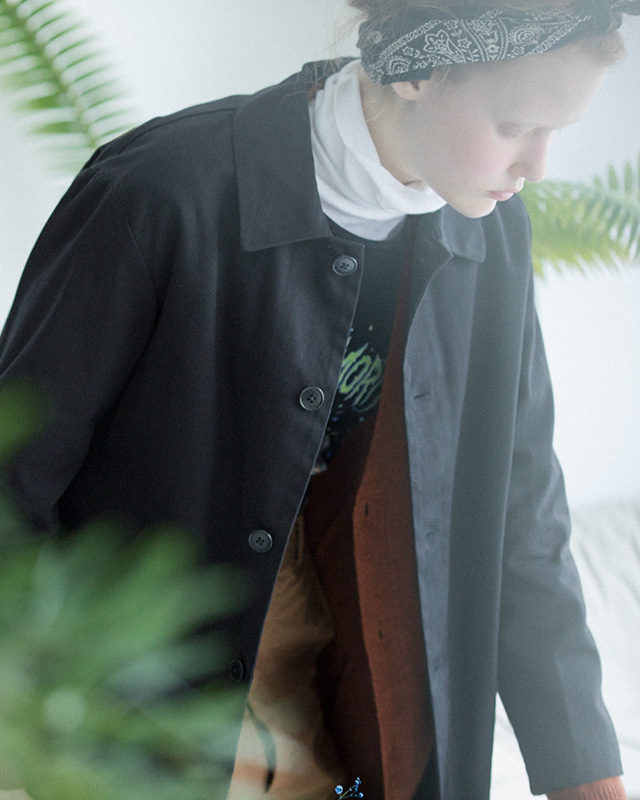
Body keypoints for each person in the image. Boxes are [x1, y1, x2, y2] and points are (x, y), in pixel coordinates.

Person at [0, 0, 638, 798]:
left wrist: (584, 769)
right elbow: (15, 479)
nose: (536, 167)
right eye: (514, 126)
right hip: (160, 715)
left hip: (385, 712)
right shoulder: (160, 192)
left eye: (557, 132)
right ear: (415, 70)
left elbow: (522, 511)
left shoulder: (492, 233)